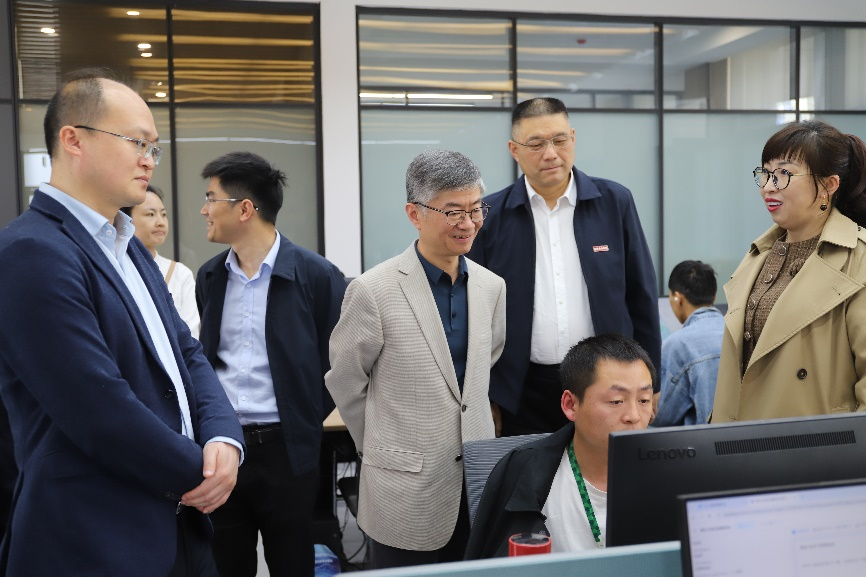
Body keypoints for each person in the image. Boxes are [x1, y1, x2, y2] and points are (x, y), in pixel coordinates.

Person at [0, 68, 243, 577]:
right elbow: (97, 407)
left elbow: (186, 352)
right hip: (96, 539)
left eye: (154, 148)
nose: (148, 159)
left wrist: (224, 437)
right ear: (73, 140)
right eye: (137, 142)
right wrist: (203, 470)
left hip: (180, 527)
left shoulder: (128, 246)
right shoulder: (31, 251)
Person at [326, 149, 506, 568]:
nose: (468, 223)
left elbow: (486, 364)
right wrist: (381, 446)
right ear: (415, 213)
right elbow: (346, 381)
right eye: (453, 211)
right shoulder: (373, 290)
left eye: (476, 209)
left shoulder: (491, 287)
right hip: (403, 486)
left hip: (477, 480)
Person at [468, 97, 660, 437]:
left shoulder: (614, 202)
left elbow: (641, 296)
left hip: (608, 385)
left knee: (605, 470)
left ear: (572, 138)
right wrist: (488, 395)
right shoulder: (490, 215)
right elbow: (476, 316)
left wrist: (650, 385)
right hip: (521, 390)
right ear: (514, 150)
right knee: (530, 471)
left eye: (559, 140)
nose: (550, 153)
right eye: (536, 144)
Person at [195, 151, 346, 577]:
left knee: (291, 564)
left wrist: (304, 418)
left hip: (288, 451)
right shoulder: (211, 276)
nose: (204, 210)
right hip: (224, 447)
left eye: (211, 198)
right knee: (227, 564)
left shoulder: (317, 276)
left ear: (245, 209)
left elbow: (338, 362)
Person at [713, 120, 866, 422]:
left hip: (816, 445)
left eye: (784, 174)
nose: (768, 187)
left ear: (829, 185)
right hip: (738, 441)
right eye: (766, 173)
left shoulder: (858, 258)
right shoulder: (759, 255)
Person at [464, 333, 655, 558]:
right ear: (571, 405)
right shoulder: (522, 473)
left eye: (644, 400)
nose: (634, 416)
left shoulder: (671, 470)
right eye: (616, 401)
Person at [122, 184, 201, 338]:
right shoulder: (116, 267)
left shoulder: (180, 274)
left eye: (163, 214)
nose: (160, 222)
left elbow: (191, 336)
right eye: (150, 214)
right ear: (126, 219)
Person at [653, 260, 724, 427]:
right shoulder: (739, 332)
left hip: (703, 441)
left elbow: (662, 416)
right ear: (714, 297)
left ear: (677, 298)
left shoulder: (678, 345)